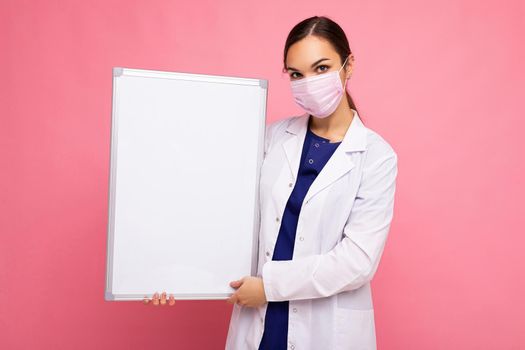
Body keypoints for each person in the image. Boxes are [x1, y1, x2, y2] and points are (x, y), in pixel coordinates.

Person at [224, 16, 398, 350]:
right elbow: (234, 220)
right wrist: (173, 278)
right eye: (296, 74)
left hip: (325, 330)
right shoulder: (273, 137)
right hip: (259, 322)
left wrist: (269, 287)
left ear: (349, 66)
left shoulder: (376, 156)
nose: (309, 82)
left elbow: (357, 262)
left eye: (321, 68)